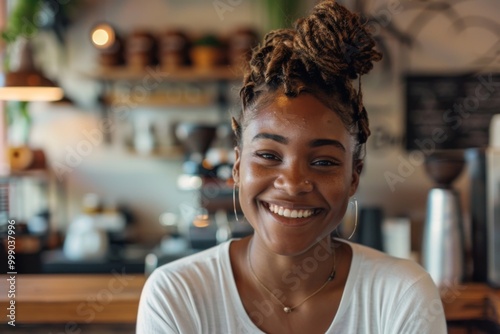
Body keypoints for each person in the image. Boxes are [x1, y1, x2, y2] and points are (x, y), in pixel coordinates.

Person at [136, 1, 447, 333]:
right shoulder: (178, 295)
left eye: (324, 161)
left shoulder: (402, 295)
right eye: (269, 156)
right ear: (238, 167)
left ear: (353, 176)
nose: (294, 183)